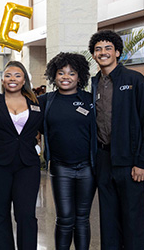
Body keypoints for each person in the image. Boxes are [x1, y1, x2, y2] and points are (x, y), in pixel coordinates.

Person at [88, 30, 144, 250]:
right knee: (108, 219)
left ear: (117, 52)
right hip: (103, 160)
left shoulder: (135, 80)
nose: (103, 52)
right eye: (98, 49)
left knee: (132, 219)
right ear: (94, 55)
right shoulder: (93, 84)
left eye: (108, 48)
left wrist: (142, 161)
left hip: (130, 162)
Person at [0, 61, 44, 250]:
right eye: (8, 75)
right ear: (2, 80)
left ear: (24, 79)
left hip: (28, 165)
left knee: (26, 214)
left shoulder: (37, 103)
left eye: (17, 75)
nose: (12, 79)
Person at [37, 53, 96, 250]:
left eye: (71, 73)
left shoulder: (89, 100)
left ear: (80, 77)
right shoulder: (45, 101)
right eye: (61, 73)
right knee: (64, 218)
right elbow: (17, 103)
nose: (66, 77)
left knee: (82, 218)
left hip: (87, 168)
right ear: (54, 76)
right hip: (60, 167)